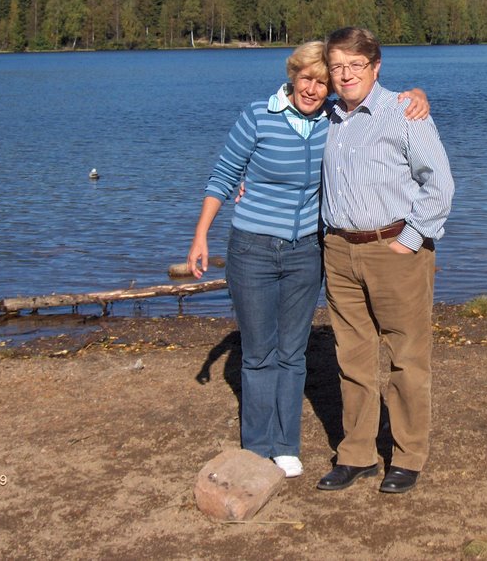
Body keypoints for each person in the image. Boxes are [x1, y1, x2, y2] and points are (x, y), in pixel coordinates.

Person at [187, 41, 428, 479]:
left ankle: (285, 445)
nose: (314, 89)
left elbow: (374, 100)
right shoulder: (257, 115)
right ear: (292, 76)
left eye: (323, 80)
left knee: (293, 352)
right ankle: (258, 445)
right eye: (307, 78)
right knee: (259, 353)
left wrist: (415, 94)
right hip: (253, 249)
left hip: (306, 252)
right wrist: (201, 235)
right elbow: (224, 174)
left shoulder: (334, 120)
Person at [316, 27, 454, 495]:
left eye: (356, 65)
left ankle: (408, 455)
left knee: (406, 357)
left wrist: (409, 240)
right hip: (338, 249)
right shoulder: (328, 115)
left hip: (394, 250)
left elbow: (440, 184)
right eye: (337, 66)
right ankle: (357, 455)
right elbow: (290, 96)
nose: (346, 74)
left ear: (376, 67)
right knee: (351, 358)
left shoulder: (404, 113)